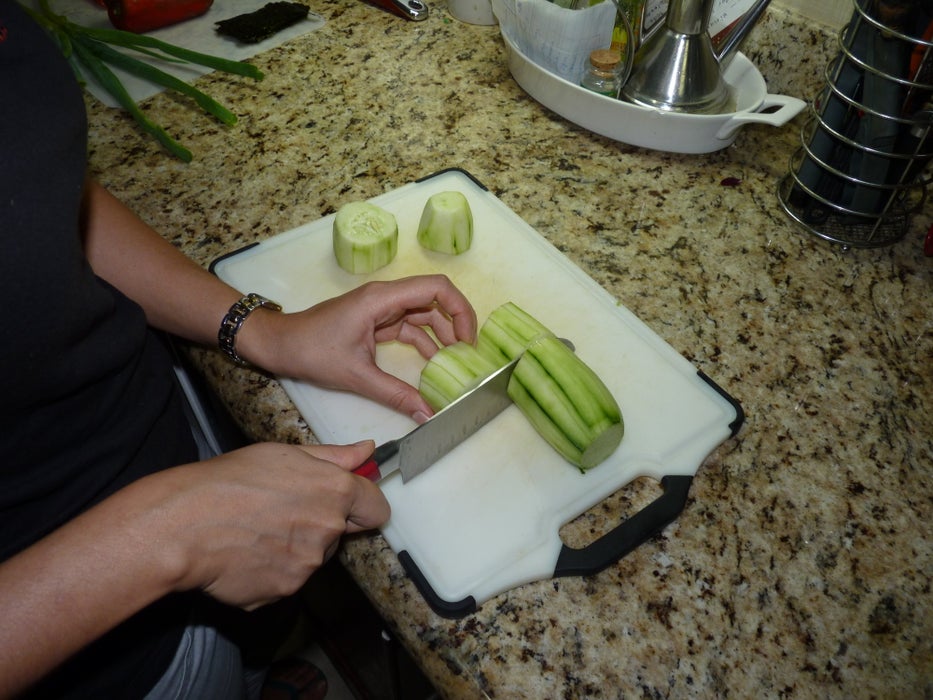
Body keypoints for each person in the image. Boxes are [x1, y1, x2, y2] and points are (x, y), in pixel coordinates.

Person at [0, 2, 477, 697]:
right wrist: (165, 539)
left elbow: (40, 192)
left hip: (152, 442)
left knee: (239, 664)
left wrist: (258, 327)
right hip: (97, 654)